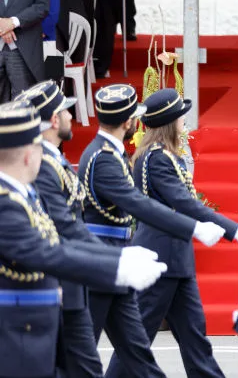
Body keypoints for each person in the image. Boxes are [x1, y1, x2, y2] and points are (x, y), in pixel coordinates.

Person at [0, 100, 167, 378]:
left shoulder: (20, 195)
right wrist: (116, 266)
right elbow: (45, 252)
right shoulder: (6, 202)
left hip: (35, 329)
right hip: (18, 334)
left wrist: (117, 258)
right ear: (30, 154)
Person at [78, 83, 227, 377]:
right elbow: (146, 206)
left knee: (148, 346)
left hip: (153, 255)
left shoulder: (122, 152)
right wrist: (199, 227)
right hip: (131, 257)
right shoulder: (119, 156)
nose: (185, 120)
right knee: (90, 351)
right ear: (128, 120)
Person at [18, 79, 107, 377]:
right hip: (59, 284)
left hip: (69, 282)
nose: (72, 116)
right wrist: (112, 260)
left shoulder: (52, 159)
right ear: (54, 119)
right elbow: (64, 224)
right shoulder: (42, 164)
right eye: (66, 111)